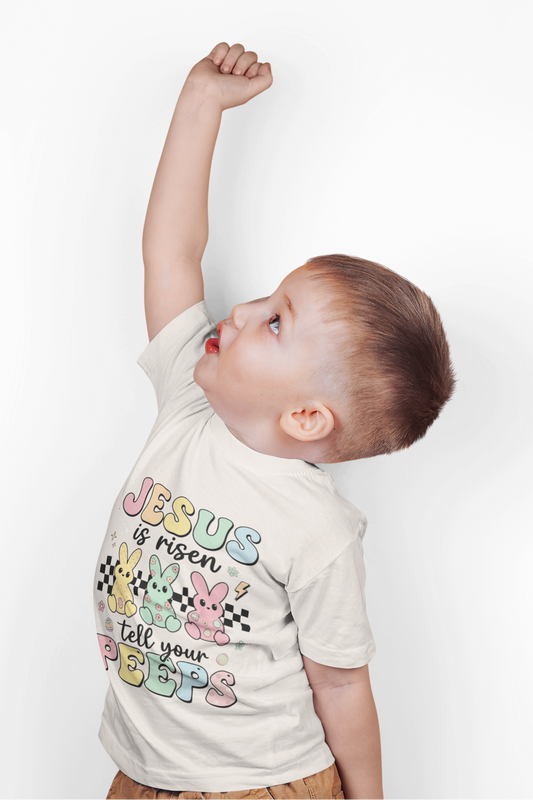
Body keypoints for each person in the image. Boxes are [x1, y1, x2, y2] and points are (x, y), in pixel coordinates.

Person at [94, 42, 455, 800]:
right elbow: (171, 252)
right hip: (144, 776)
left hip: (262, 788)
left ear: (303, 416)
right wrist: (199, 107)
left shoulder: (314, 529)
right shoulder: (189, 403)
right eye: (269, 297)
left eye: (275, 322)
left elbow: (341, 681)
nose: (242, 307)